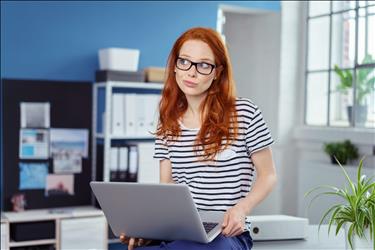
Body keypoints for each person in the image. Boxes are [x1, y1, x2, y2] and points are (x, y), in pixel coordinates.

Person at [120, 27, 277, 250]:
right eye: (184, 61)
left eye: (203, 65)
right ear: (175, 66)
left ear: (217, 72)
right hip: (179, 230)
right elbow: (167, 189)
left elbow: (268, 175)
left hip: (226, 234)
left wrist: (241, 209)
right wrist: (149, 230)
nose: (191, 72)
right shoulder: (168, 121)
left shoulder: (245, 112)